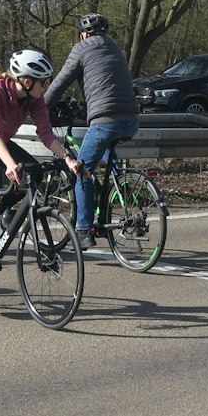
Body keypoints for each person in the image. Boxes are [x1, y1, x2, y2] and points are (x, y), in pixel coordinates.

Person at [0, 49, 82, 301]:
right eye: (44, 81)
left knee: (33, 171)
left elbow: (46, 133)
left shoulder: (34, 97)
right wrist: (10, 165)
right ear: (27, 81)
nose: (47, 86)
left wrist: (67, 158)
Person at [43, 13, 140, 250]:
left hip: (105, 120)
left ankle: (84, 230)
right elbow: (108, 83)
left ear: (83, 34)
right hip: (132, 120)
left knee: (81, 170)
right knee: (106, 147)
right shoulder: (115, 48)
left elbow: (59, 83)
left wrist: (40, 107)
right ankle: (119, 186)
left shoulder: (81, 48)